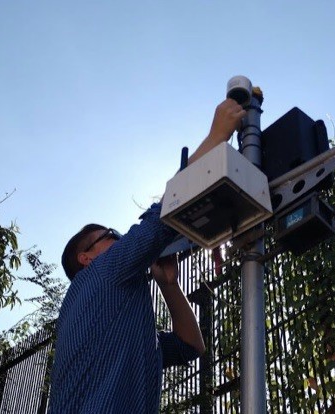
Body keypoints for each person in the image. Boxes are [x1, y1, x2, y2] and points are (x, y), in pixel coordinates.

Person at [49, 99, 246, 413]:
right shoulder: (98, 274)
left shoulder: (122, 329)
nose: (122, 238)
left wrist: (168, 285)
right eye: (111, 234)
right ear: (87, 258)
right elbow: (158, 223)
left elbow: (189, 347)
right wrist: (215, 138)